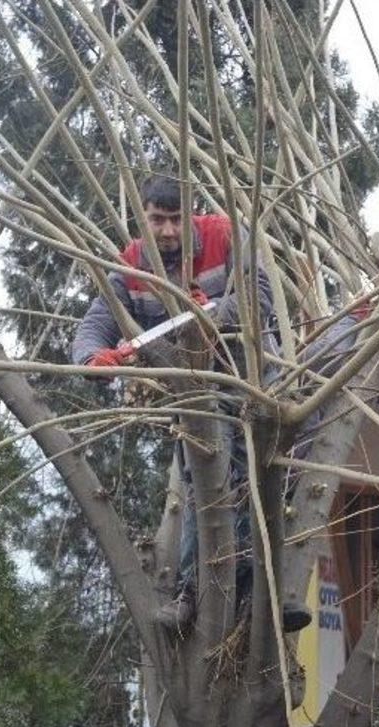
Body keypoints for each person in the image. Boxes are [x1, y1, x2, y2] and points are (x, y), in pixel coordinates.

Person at [72, 173, 312, 635]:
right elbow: (94, 326)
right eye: (156, 220)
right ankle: (193, 589)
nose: (166, 231)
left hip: (252, 379)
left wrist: (209, 315)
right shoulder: (131, 265)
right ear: (140, 217)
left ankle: (261, 590)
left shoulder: (224, 234)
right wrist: (91, 357)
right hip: (195, 393)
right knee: (204, 474)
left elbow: (257, 298)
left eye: (175, 220)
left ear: (192, 215)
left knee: (263, 477)